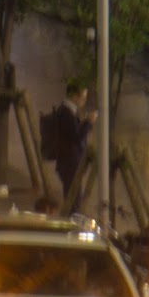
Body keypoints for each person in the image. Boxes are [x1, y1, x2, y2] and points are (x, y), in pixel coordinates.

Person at [38, 78, 91, 208]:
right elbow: (76, 136)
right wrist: (89, 122)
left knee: (72, 197)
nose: (84, 101)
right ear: (74, 95)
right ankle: (72, 224)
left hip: (68, 163)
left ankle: (71, 222)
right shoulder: (66, 112)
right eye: (83, 97)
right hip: (70, 163)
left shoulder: (66, 111)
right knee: (73, 200)